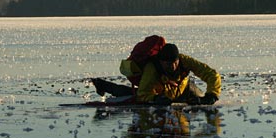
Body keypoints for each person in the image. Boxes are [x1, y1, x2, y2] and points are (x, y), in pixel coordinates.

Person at [92, 43, 221, 105]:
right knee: (133, 95)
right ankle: (103, 85)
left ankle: (102, 84)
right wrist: (154, 99)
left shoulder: (185, 60)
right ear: (161, 61)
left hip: (184, 90)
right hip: (161, 93)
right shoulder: (152, 69)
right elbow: (143, 94)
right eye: (168, 63)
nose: (173, 66)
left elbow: (211, 74)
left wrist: (212, 95)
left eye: (175, 62)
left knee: (201, 100)